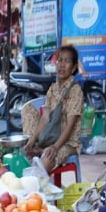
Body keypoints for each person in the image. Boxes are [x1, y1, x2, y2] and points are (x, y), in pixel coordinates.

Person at [23, 44, 84, 173]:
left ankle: (39, 190)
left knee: (44, 162)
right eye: (60, 60)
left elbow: (70, 125)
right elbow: (45, 118)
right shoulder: (53, 89)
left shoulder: (75, 90)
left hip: (67, 143)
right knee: (25, 156)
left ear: (73, 68)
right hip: (50, 137)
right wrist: (32, 140)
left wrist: (55, 148)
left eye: (67, 61)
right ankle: (40, 148)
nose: (62, 65)